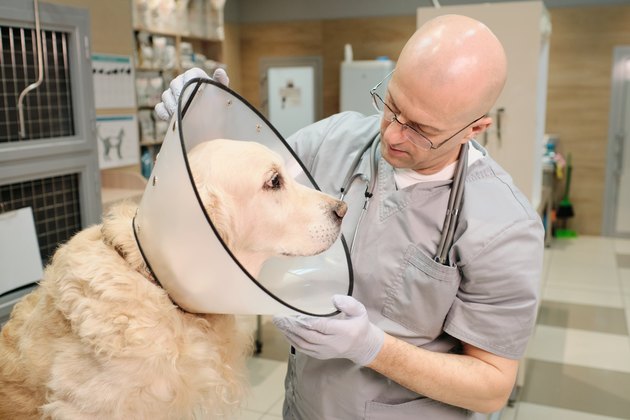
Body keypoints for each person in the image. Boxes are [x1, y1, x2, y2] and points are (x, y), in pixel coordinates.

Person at [156, 14, 544, 420]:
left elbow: (491, 386)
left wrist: (371, 347)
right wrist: (201, 124)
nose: (393, 135)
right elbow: (235, 185)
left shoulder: (504, 225)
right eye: (392, 106)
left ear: (474, 128)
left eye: (421, 130)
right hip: (303, 406)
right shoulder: (335, 140)